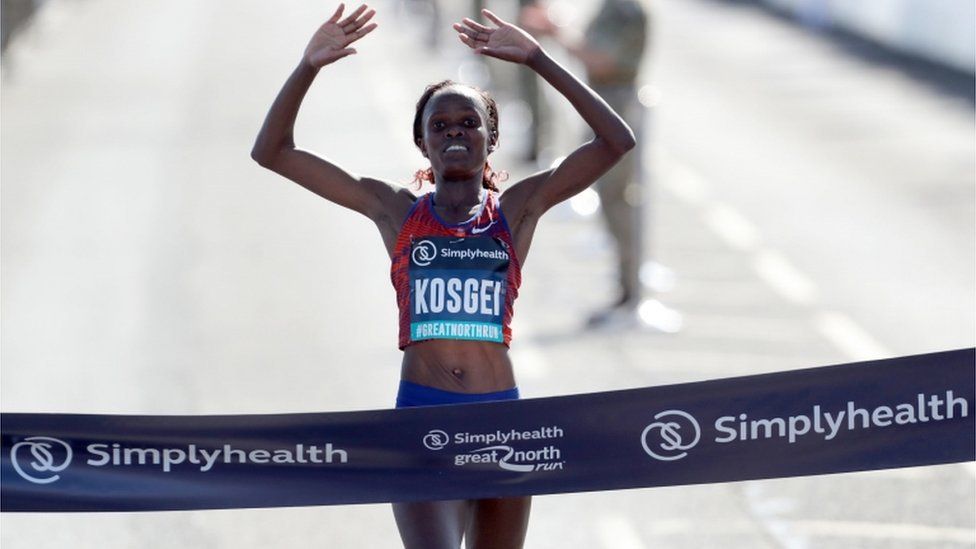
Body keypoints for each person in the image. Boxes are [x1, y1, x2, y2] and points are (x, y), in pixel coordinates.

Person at [251, 4, 634, 547]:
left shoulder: (516, 209)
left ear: (490, 139)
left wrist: (538, 58)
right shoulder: (397, 211)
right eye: (440, 125)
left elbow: (616, 141)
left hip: (503, 423)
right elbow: (273, 152)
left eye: (468, 123)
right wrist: (307, 66)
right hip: (423, 420)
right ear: (423, 143)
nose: (455, 132)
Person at [522, 0, 649, 326]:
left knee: (619, 201)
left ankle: (630, 295)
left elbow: (601, 60)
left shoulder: (626, 11)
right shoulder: (613, 7)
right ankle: (625, 290)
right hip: (608, 99)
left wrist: (554, 32)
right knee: (611, 200)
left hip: (618, 101)